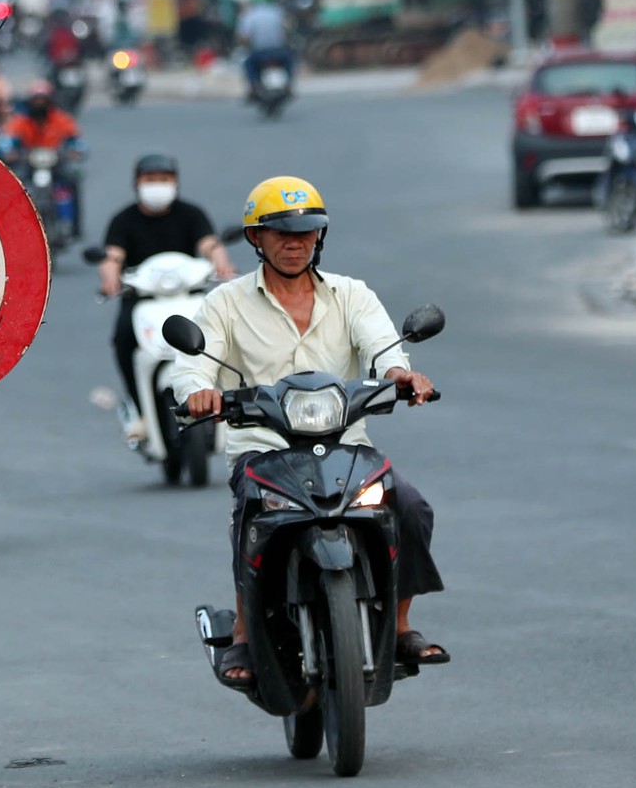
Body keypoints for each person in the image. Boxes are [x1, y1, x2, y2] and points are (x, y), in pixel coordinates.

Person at [170, 176, 446, 687]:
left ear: (320, 236)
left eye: (306, 233)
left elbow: (383, 348)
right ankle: (244, 633)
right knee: (253, 514)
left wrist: (400, 376)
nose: (295, 244)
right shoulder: (225, 303)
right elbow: (193, 365)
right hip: (263, 451)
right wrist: (197, 392)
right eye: (282, 234)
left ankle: (401, 624)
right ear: (255, 238)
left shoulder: (352, 295)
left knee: (407, 505)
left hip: (346, 448)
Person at [96, 154, 236, 435]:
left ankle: (227, 400)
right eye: (151, 180)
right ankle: (138, 408)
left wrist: (222, 263)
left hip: (188, 296)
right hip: (142, 300)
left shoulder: (191, 214)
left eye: (164, 179)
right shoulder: (123, 220)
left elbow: (210, 244)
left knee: (221, 336)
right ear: (137, 183)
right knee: (123, 338)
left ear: (175, 182)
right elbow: (112, 256)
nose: (157, 185)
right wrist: (110, 279)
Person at [0, 79, 85, 233]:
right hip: (29, 163)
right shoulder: (21, 122)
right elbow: (7, 141)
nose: (40, 104)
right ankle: (11, 223)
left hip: (56, 163)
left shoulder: (61, 120)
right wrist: (9, 151)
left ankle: (73, 225)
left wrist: (76, 150)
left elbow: (76, 141)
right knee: (14, 186)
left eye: (43, 100)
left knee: (72, 182)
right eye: (36, 100)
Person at [237, 0, 293, 100]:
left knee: (248, 64)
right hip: (278, 51)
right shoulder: (277, 11)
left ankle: (254, 87)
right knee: (290, 61)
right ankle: (288, 85)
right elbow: (286, 30)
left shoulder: (250, 15)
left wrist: (246, 44)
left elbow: (244, 36)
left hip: (259, 52)